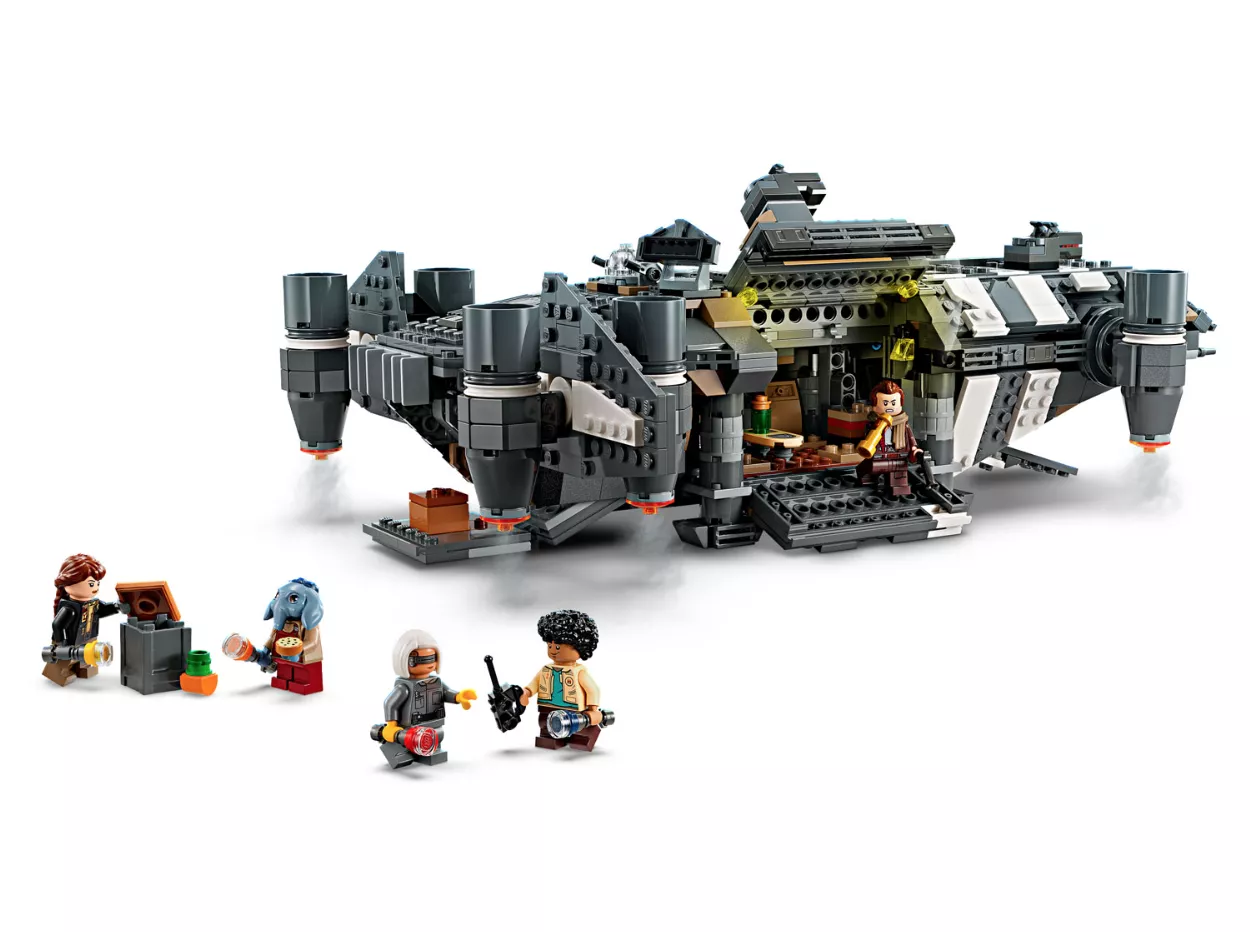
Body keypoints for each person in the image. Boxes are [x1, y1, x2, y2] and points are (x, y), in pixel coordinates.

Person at [377, 629, 476, 768]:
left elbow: (445, 692)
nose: (429, 663)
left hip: (434, 724)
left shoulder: (435, 682)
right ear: (405, 661)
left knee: (437, 737)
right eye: (421, 660)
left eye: (432, 658)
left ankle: (432, 751)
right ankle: (408, 753)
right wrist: (391, 726)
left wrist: (458, 696)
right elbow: (390, 704)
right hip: (412, 729)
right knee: (413, 742)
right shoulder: (404, 687)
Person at [520, 609, 603, 751]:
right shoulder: (546, 669)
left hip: (574, 710)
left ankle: (580, 738)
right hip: (548, 706)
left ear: (580, 647)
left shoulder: (579, 672)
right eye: (549, 645)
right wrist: (526, 693)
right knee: (545, 724)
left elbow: (593, 689)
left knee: (579, 727)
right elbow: (535, 684)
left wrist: (593, 709)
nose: (553, 650)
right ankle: (550, 738)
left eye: (558, 646)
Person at [44, 554, 122, 687]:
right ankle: (59, 673)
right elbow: (57, 625)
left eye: (97, 583)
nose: (96, 587)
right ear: (68, 584)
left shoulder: (93, 603)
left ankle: (83, 669)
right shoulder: (69, 607)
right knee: (64, 661)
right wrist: (61, 642)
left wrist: (116, 607)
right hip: (69, 640)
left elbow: (103, 610)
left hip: (89, 637)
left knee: (86, 658)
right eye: (91, 583)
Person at [856, 379, 922, 497]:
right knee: (866, 472)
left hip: (899, 457)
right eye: (885, 403)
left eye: (893, 403)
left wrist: (914, 449)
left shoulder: (903, 424)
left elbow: (911, 439)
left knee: (899, 479)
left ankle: (899, 492)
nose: (890, 407)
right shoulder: (874, 424)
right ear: (875, 406)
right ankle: (869, 481)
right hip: (878, 457)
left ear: (900, 404)